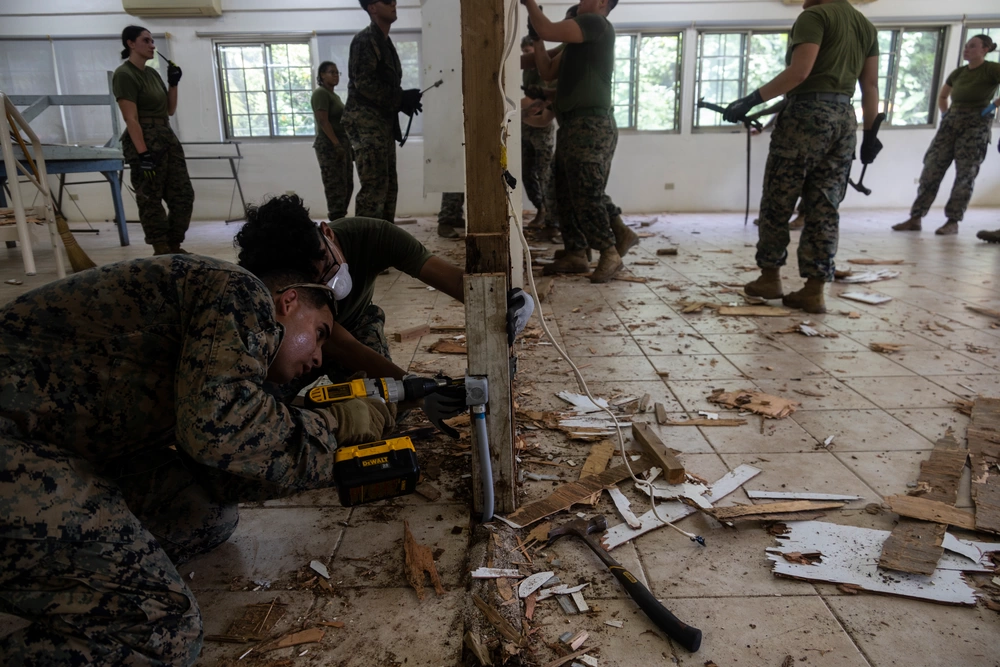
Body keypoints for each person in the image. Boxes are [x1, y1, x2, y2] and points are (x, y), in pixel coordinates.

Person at [0, 255, 396, 665]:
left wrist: (351, 460)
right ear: (289, 301)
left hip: (50, 443)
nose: (317, 358)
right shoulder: (243, 293)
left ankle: (59, 573)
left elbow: (224, 463)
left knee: (201, 512)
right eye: (319, 333)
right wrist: (334, 425)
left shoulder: (224, 345)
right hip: (13, 444)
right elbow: (220, 428)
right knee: (164, 632)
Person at [233, 194, 535, 393]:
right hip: (299, 335)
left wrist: (507, 299)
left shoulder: (371, 236)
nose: (327, 286)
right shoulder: (272, 286)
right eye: (313, 282)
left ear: (327, 232)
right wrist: (414, 385)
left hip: (355, 325)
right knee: (270, 399)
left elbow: (456, 282)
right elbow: (344, 347)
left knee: (386, 402)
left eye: (325, 266)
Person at [727, 0, 881, 314]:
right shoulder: (865, 26)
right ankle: (814, 289)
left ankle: (770, 277)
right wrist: (870, 135)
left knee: (778, 200)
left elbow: (799, 73)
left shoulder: (815, 16)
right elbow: (870, 85)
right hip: (844, 119)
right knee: (824, 206)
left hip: (806, 118)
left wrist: (750, 100)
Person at [524, 0, 629, 283]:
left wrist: (530, 4)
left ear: (602, 2)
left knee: (585, 192)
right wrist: (536, 39)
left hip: (590, 124)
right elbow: (546, 70)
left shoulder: (596, 23)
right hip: (573, 124)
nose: (581, 1)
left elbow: (547, 27)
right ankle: (576, 253)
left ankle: (609, 252)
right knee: (564, 193)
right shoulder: (578, 43)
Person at [893, 35, 1000, 236]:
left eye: (972, 46)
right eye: (966, 46)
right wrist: (945, 114)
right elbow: (943, 96)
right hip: (950, 124)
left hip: (975, 126)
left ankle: (953, 221)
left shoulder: (992, 69)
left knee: (965, 175)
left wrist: (994, 104)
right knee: (931, 169)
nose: (966, 49)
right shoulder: (959, 73)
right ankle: (916, 217)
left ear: (985, 49)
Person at [114, 25, 194, 256]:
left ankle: (174, 245)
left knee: (183, 195)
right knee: (151, 198)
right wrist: (143, 154)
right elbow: (131, 118)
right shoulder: (125, 74)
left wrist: (173, 83)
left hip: (166, 136)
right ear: (130, 43)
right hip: (145, 139)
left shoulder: (152, 74)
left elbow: (169, 110)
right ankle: (161, 249)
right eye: (146, 41)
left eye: (152, 41)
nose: (152, 45)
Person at [342, 0, 422, 223]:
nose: (394, 4)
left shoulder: (384, 43)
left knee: (388, 187)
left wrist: (403, 102)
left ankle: (382, 244)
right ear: (372, 7)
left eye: (394, 1)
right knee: (374, 188)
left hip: (381, 124)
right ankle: (365, 248)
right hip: (366, 124)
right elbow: (364, 83)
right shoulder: (365, 40)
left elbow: (383, 84)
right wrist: (400, 98)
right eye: (387, 1)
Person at [521, 36, 558, 240]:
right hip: (525, 127)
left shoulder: (546, 72)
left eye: (531, 52)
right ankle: (542, 210)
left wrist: (520, 110)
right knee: (526, 173)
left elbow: (540, 101)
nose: (528, 56)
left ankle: (552, 221)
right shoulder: (527, 71)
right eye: (525, 52)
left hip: (541, 128)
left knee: (545, 175)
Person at [312, 61, 354, 220]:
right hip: (329, 145)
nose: (336, 75)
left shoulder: (334, 95)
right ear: (322, 75)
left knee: (346, 185)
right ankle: (337, 221)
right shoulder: (321, 93)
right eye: (332, 72)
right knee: (335, 185)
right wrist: (336, 144)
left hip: (342, 144)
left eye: (337, 73)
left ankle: (340, 218)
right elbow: (323, 121)